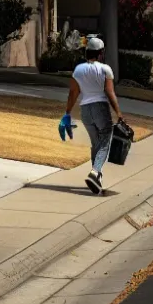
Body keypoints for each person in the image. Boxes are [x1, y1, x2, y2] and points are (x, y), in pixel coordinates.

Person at [61, 36, 123, 194]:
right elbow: (109, 93)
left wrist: (67, 113)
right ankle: (95, 172)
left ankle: (96, 178)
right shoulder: (105, 69)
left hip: (85, 110)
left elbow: (73, 93)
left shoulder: (79, 70)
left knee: (96, 143)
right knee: (105, 141)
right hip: (100, 108)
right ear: (100, 53)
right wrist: (118, 113)